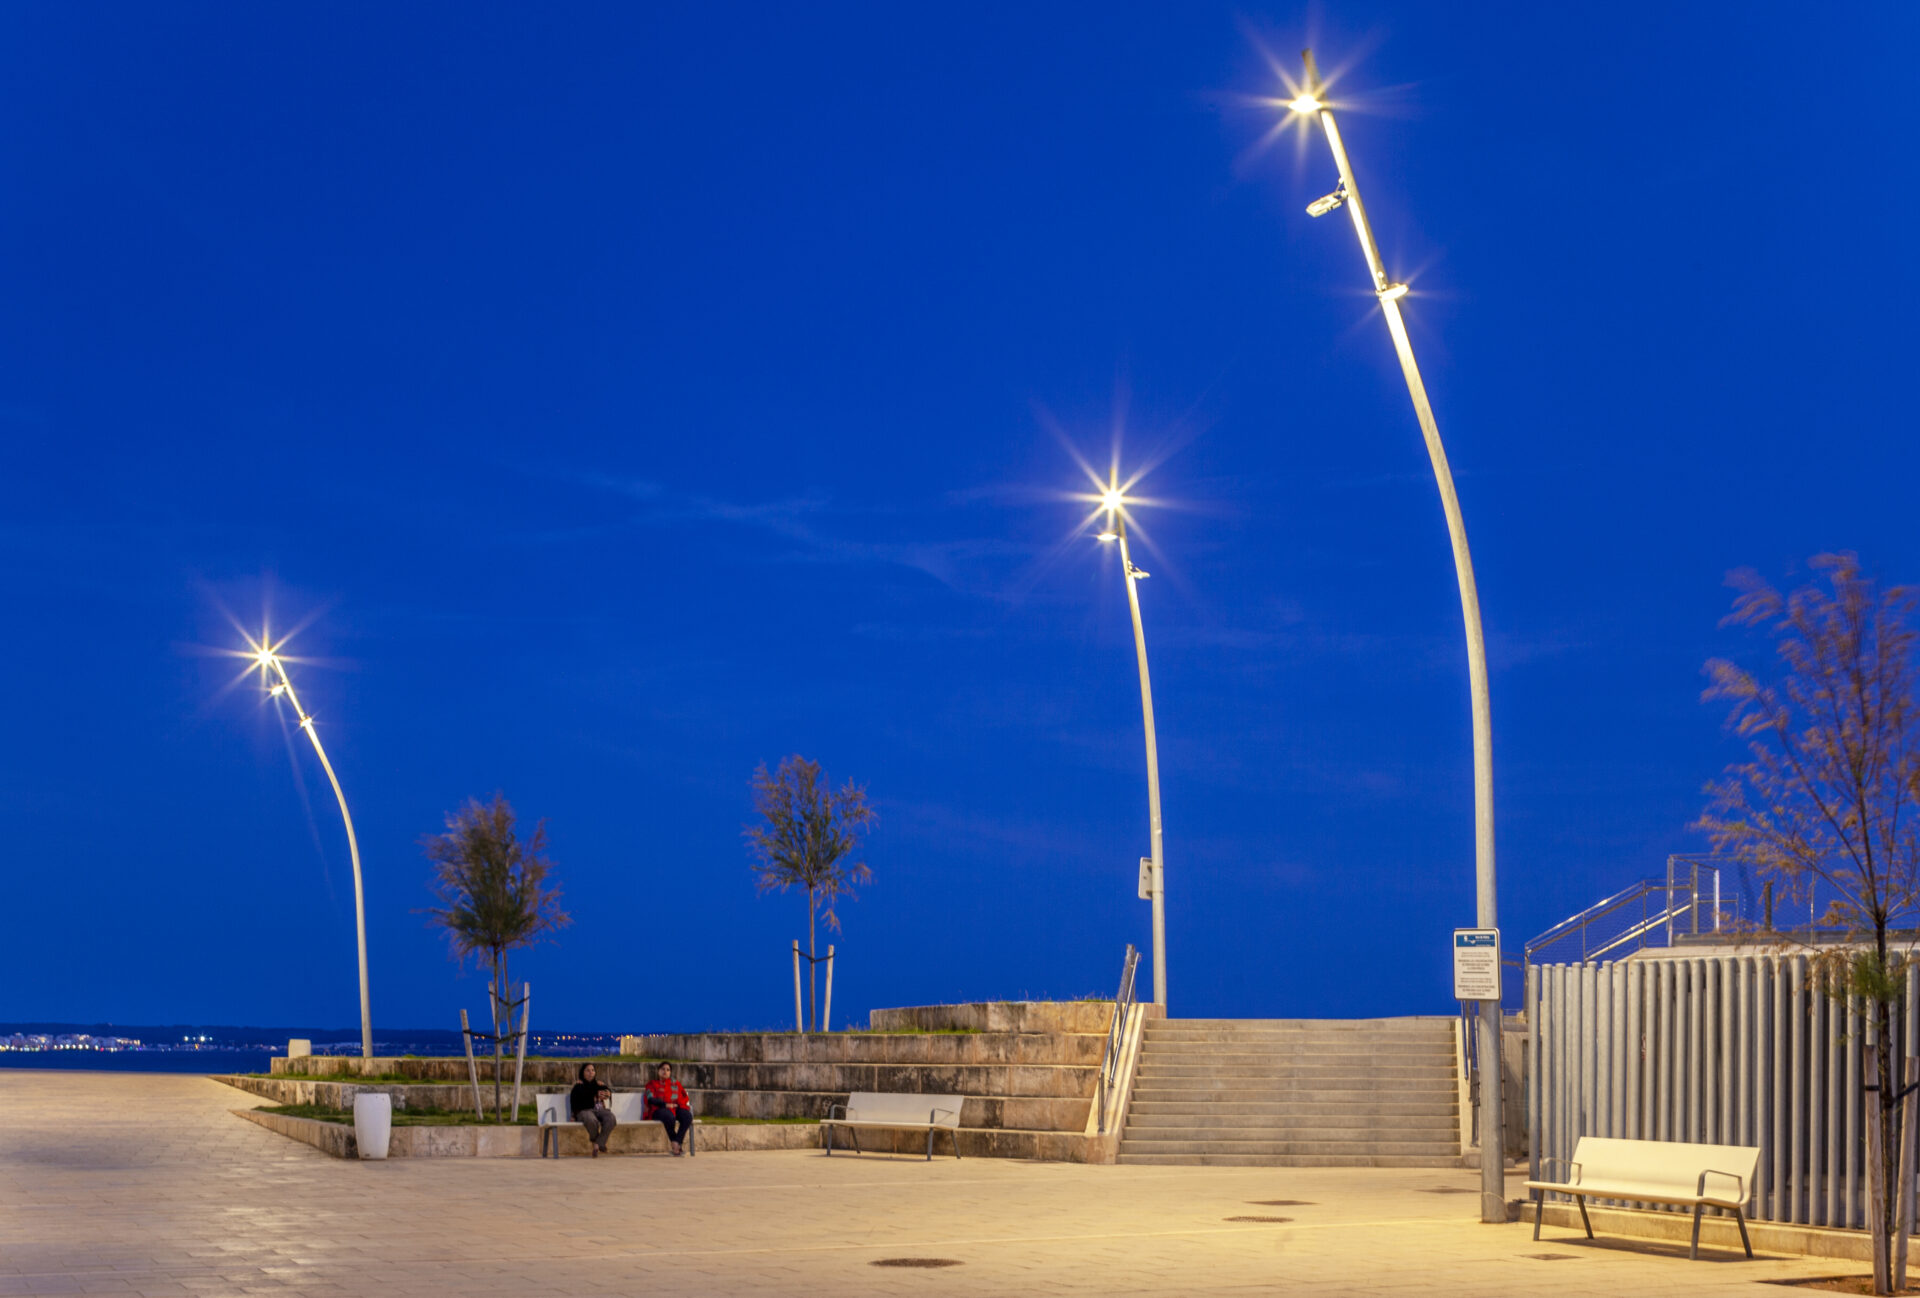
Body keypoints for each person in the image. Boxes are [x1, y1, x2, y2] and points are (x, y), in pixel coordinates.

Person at [644, 1061, 694, 1156]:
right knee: (669, 1117)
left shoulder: (676, 1084)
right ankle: (677, 1146)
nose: (665, 1071)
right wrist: (665, 1104)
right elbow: (651, 1099)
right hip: (658, 1110)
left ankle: (676, 1142)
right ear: (658, 1071)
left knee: (687, 1116)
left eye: (668, 1070)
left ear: (670, 1072)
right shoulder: (652, 1084)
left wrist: (677, 1105)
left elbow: (684, 1097)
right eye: (663, 1069)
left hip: (675, 1108)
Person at [571, 1062, 615, 1157]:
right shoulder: (578, 1086)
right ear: (583, 1072)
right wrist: (573, 1115)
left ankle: (597, 1144)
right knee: (591, 1120)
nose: (591, 1072)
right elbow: (575, 1101)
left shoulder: (598, 1084)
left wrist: (608, 1093)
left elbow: (607, 1090)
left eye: (592, 1070)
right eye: (587, 1070)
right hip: (584, 1111)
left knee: (611, 1118)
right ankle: (599, 1143)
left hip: (599, 1110)